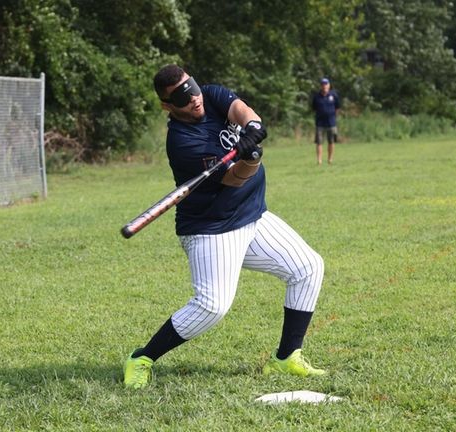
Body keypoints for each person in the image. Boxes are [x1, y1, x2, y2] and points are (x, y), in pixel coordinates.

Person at [123, 64, 326, 389]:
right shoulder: (182, 142)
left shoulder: (211, 95)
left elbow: (241, 110)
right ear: (167, 105)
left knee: (308, 267)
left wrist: (253, 126)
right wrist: (252, 158)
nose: (194, 99)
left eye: (192, 87)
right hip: (211, 228)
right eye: (181, 97)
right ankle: (142, 357)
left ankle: (287, 358)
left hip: (252, 215)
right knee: (212, 306)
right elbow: (233, 178)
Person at [311, 77, 341, 165]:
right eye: (323, 84)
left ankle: (330, 159)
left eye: (326, 84)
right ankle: (319, 160)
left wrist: (333, 116)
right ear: (321, 86)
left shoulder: (334, 95)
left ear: (329, 85)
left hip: (331, 123)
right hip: (320, 123)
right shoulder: (316, 97)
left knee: (331, 141)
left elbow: (337, 108)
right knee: (319, 142)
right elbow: (314, 108)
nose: (324, 86)